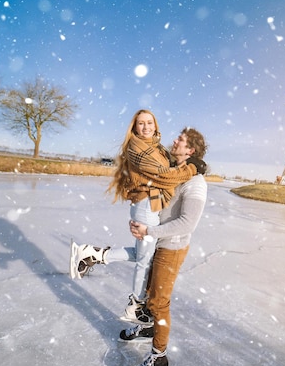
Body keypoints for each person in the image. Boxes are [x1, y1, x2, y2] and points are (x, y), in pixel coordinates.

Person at [72, 127, 209, 366]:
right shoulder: (173, 172)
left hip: (172, 247)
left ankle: (159, 361)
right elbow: (159, 202)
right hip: (157, 240)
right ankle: (147, 328)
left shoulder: (195, 183)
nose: (176, 140)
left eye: (182, 139)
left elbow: (186, 223)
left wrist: (150, 230)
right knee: (147, 291)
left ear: (190, 150)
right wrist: (141, 215)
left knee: (159, 301)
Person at [69, 110, 205, 326]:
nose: (146, 127)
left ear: (155, 124)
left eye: (149, 122)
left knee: (144, 254)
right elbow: (163, 175)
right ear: (134, 127)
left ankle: (93, 254)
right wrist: (191, 168)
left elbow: (169, 166)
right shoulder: (138, 147)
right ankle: (135, 306)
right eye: (141, 124)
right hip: (146, 205)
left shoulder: (155, 145)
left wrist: (191, 162)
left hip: (149, 205)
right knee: (144, 260)